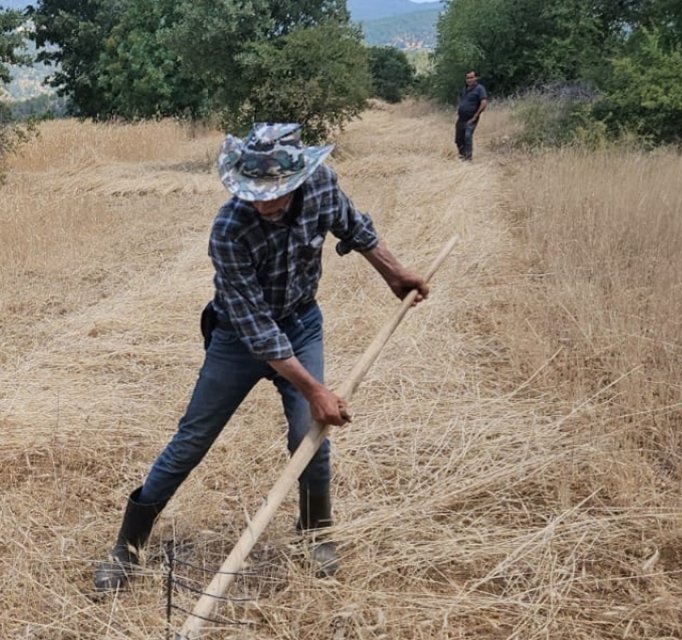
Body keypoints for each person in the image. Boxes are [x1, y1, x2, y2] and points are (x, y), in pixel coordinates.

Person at [92, 123, 429, 591]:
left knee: (308, 436)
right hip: (238, 338)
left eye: (277, 191)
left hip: (301, 321)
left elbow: (355, 227)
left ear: (298, 177)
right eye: (256, 192)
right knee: (192, 440)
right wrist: (314, 389)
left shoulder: (322, 185)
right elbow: (259, 333)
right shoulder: (230, 230)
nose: (265, 201)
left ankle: (316, 534)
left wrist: (395, 273)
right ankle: (127, 550)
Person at [455, 70, 488, 161]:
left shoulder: (480, 89)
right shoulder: (464, 89)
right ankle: (462, 157)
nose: (469, 80)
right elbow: (461, 100)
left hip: (471, 118)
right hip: (461, 118)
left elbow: (484, 103)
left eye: (471, 77)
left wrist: (475, 117)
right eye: (467, 78)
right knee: (458, 139)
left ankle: (468, 159)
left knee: (467, 136)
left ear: (476, 78)